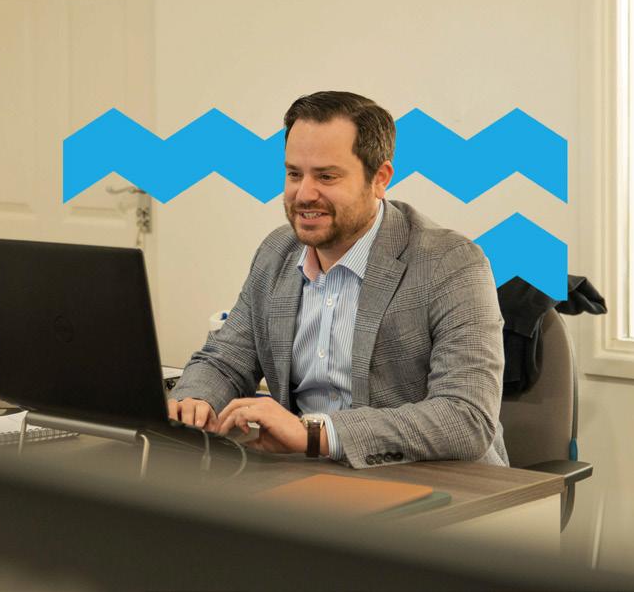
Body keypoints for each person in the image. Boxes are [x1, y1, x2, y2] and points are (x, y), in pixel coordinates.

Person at [168, 91, 508, 468]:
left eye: (326, 176)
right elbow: (225, 361)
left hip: (436, 483)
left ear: (379, 179)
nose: (304, 194)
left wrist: (315, 434)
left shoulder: (450, 262)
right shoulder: (277, 253)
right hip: (308, 476)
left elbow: (466, 417)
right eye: (294, 174)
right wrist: (194, 400)